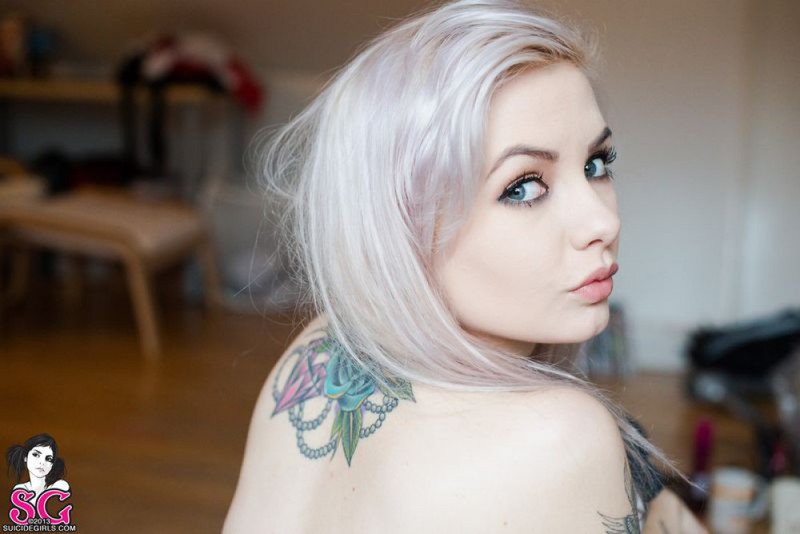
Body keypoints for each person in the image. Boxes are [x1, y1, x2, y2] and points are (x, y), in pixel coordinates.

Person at [225, 1, 706, 532]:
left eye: (596, 164)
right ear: (401, 224)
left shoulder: (318, 350)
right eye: (523, 188)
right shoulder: (557, 440)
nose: (602, 221)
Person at [6, 433, 70, 506]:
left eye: (48, 459)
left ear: (52, 465)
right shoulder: (20, 489)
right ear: (25, 457)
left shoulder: (60, 486)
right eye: (36, 455)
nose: (42, 462)